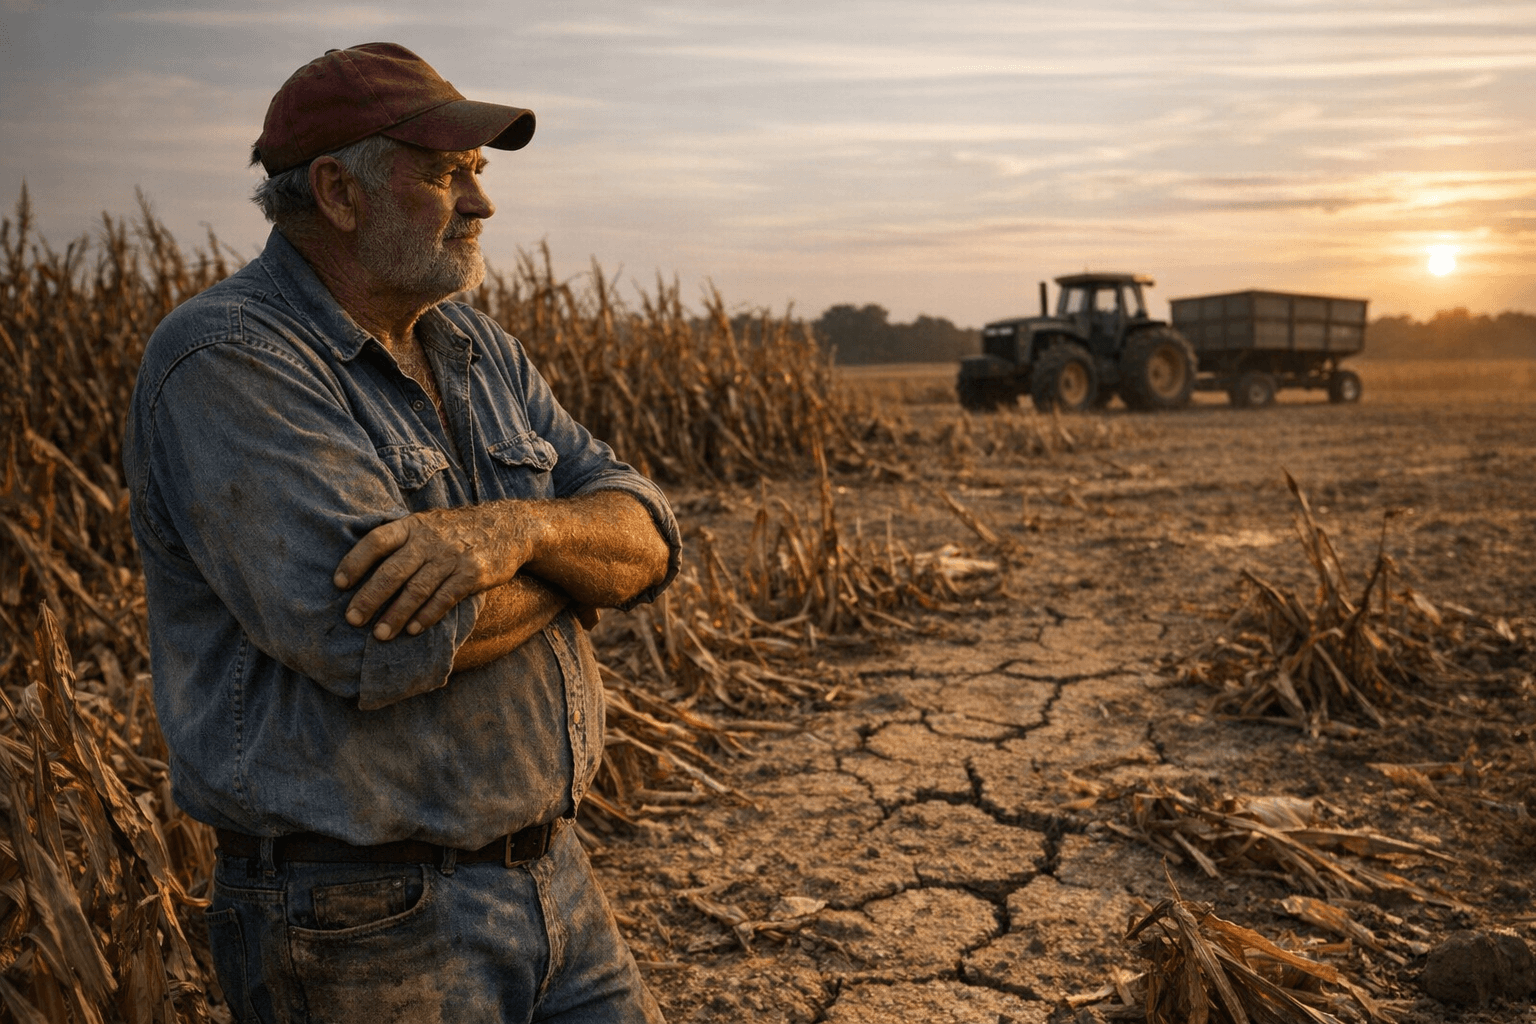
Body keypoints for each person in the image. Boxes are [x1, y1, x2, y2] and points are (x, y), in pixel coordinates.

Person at [124, 42, 679, 1023]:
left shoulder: (470, 344)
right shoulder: (227, 361)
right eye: (443, 172)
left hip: (551, 875)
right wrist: (571, 565)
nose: (481, 204)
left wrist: (515, 531)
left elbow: (648, 536)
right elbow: (379, 639)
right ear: (337, 191)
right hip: (363, 922)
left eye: (477, 172)